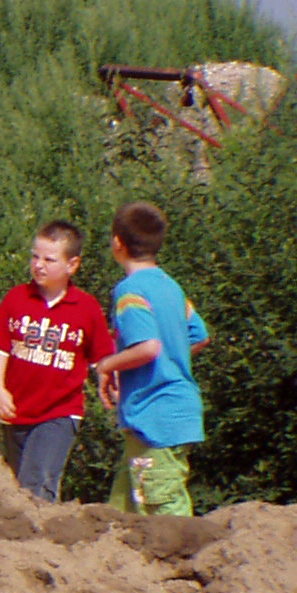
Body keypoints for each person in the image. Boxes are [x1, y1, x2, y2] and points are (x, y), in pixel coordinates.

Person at [0, 221, 115, 502]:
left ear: (72, 265)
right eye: (35, 256)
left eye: (49, 259)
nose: (39, 265)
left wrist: (110, 380)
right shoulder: (17, 298)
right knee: (18, 484)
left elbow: (103, 356)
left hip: (60, 412)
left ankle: (34, 543)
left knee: (36, 482)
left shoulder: (86, 307)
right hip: (17, 411)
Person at [93, 200, 208, 515]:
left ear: (118, 243)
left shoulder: (129, 291)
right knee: (123, 509)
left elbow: (148, 348)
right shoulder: (171, 287)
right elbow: (198, 335)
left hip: (155, 416)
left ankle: (185, 564)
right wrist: (171, 359)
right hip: (174, 413)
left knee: (165, 512)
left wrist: (108, 365)